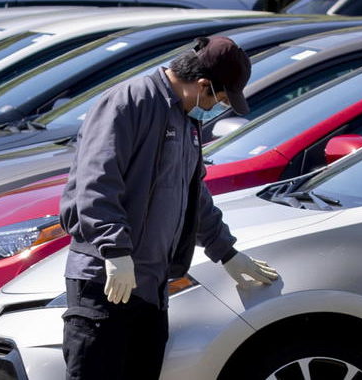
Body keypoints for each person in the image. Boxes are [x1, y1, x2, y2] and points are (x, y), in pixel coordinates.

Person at [59, 36, 279, 380]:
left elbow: (193, 194)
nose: (217, 107)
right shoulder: (131, 101)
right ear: (202, 84)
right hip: (105, 282)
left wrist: (227, 252)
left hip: (150, 287)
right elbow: (96, 181)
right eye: (219, 99)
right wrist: (115, 250)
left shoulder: (185, 118)